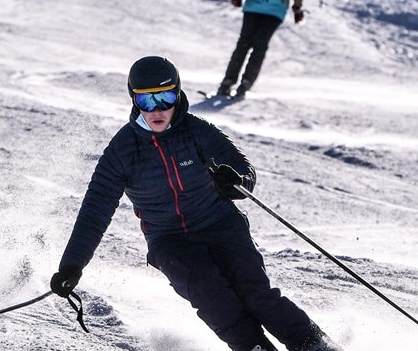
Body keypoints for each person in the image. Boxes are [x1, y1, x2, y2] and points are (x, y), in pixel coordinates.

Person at [52, 56, 341, 351]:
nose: (158, 110)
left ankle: (314, 345)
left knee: (256, 293)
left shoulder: (195, 130)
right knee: (215, 300)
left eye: (165, 97)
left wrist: (236, 181)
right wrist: (72, 266)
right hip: (169, 240)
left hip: (219, 223)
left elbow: (241, 167)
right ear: (133, 99)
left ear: (178, 94)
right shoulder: (122, 151)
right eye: (147, 100)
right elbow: (94, 211)